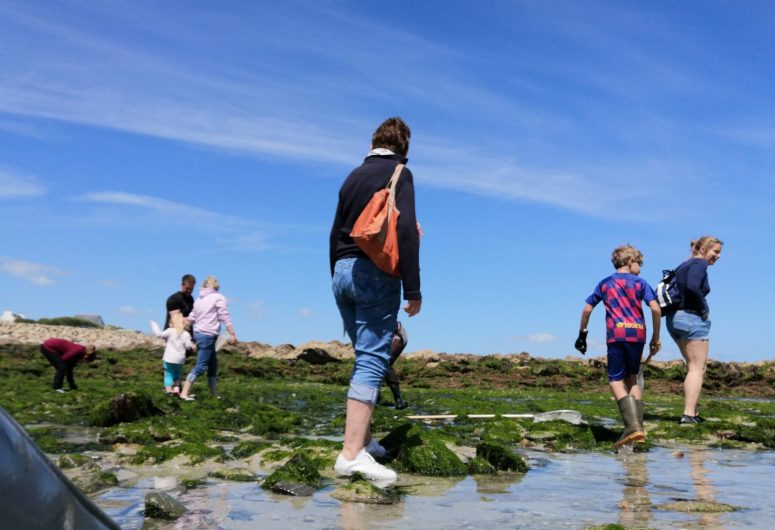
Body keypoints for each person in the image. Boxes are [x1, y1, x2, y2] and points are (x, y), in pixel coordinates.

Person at [329, 117, 422, 481]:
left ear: (373, 142)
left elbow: (334, 229)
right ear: (405, 148)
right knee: (372, 360)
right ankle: (351, 454)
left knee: (362, 356)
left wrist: (336, 275)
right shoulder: (399, 173)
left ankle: (364, 441)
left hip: (342, 271)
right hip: (375, 272)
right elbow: (405, 231)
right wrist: (413, 289)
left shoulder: (352, 176)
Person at [575, 245, 661, 447]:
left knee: (615, 380)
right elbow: (656, 309)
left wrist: (582, 335)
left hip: (616, 334)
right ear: (631, 261)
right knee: (632, 378)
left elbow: (587, 309)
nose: (641, 267)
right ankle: (638, 428)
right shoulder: (641, 283)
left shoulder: (605, 283)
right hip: (638, 334)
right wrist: (656, 338)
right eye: (640, 263)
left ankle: (632, 428)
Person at [665, 236, 723, 424]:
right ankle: (689, 414)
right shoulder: (699, 264)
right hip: (690, 318)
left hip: (674, 319)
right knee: (697, 368)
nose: (718, 256)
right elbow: (692, 287)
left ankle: (693, 413)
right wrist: (704, 309)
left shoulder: (684, 265)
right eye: (715, 251)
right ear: (703, 249)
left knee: (694, 366)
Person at [179, 276, 237, 401]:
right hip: (208, 335)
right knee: (201, 366)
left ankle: (214, 394)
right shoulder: (218, 297)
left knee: (213, 365)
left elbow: (192, 316)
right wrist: (232, 333)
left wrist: (185, 323)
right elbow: (224, 316)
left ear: (204, 286)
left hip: (199, 334)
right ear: (216, 286)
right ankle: (184, 393)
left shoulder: (200, 299)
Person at [150, 312, 194, 395]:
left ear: (172, 323)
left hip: (169, 358)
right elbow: (188, 346)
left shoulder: (170, 331)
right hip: (180, 358)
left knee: (168, 374)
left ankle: (168, 391)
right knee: (178, 374)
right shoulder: (186, 334)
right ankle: (176, 389)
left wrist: (154, 325)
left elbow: (159, 335)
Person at [381, 322, 409, 409]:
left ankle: (398, 399)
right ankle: (376, 397)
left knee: (386, 362)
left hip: (397, 334)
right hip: (383, 338)